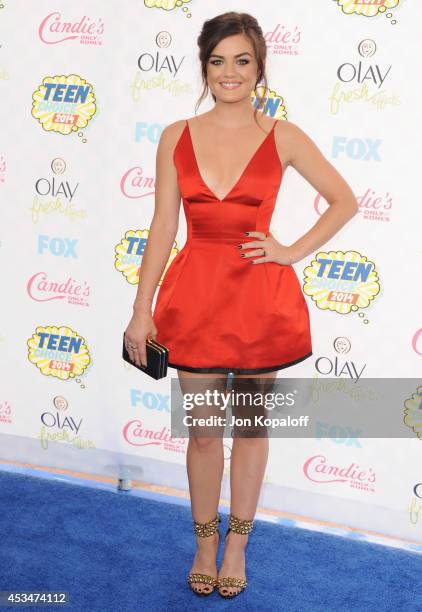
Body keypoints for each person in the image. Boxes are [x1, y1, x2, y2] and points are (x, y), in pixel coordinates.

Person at [124, 11, 358, 599]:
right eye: (218, 60)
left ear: (260, 67)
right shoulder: (176, 135)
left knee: (250, 430)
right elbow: (161, 227)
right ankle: (205, 540)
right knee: (203, 433)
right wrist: (140, 308)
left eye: (242, 60)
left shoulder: (282, 135)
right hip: (196, 297)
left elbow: (343, 200)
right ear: (204, 67)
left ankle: (237, 544)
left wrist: (290, 250)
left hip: (259, 300)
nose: (230, 72)